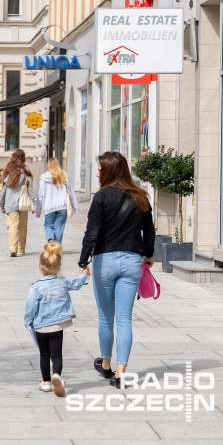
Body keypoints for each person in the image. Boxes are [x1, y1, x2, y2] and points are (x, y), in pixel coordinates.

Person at [79, 151, 155, 388]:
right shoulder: (141, 197)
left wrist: (83, 261)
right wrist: (149, 255)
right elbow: (149, 231)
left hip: (105, 261)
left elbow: (92, 233)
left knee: (105, 317)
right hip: (132, 260)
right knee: (124, 319)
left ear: (110, 170)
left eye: (100, 169)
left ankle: (106, 364)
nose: (98, 172)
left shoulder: (101, 198)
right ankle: (121, 373)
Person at [24, 241, 90, 396]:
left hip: (41, 326)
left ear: (41, 266)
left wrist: (28, 321)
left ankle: (46, 382)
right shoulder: (62, 281)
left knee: (44, 355)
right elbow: (76, 284)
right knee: (56, 355)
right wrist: (84, 274)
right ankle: (57, 375)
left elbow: (30, 306)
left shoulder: (36, 286)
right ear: (59, 266)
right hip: (57, 326)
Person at [0, 149, 35, 257]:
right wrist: (34, 204)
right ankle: (21, 249)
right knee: (23, 227)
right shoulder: (26, 173)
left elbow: (4, 190)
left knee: (13, 226)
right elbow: (31, 190)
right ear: (23, 158)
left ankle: (12, 249)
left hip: (10, 204)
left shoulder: (9, 172)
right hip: (23, 204)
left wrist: (1, 204)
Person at [36, 158, 80, 243]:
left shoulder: (44, 178)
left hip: (49, 206)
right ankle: (57, 246)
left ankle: (50, 239)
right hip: (62, 206)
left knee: (49, 225)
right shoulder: (64, 176)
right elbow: (71, 192)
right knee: (59, 227)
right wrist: (76, 207)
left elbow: (40, 195)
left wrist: (38, 211)